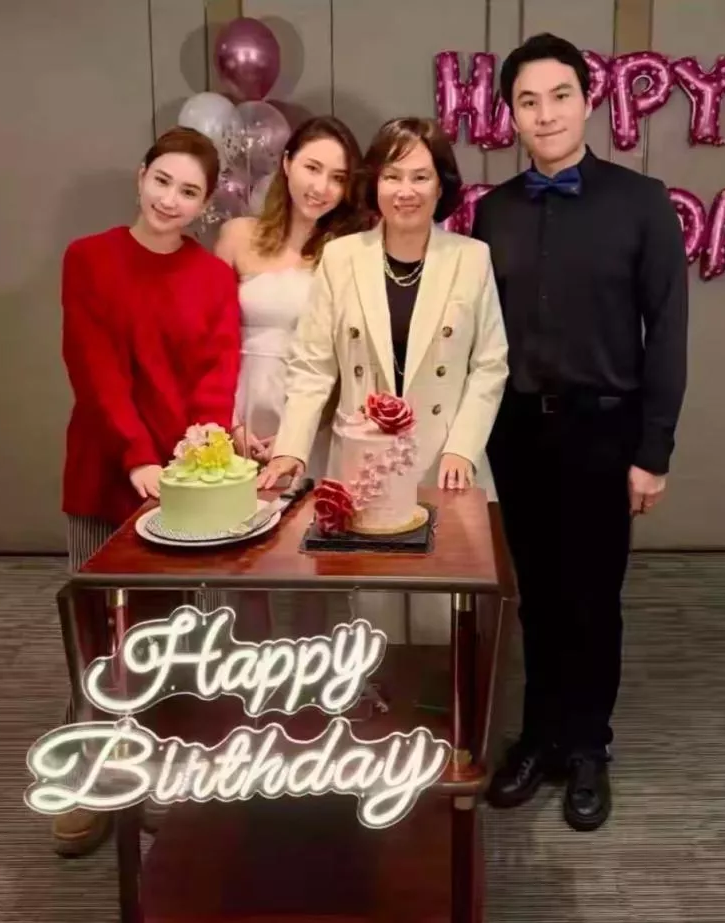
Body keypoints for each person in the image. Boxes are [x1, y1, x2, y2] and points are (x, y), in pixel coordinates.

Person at [475, 33, 688, 831]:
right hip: (517, 433)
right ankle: (540, 736)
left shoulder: (642, 201)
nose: (546, 113)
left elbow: (668, 331)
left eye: (560, 95)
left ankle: (590, 744)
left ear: (589, 101)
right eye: (528, 101)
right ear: (511, 114)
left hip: (606, 430)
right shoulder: (492, 211)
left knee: (594, 597)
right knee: (535, 596)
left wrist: (653, 451)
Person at [57, 126, 241, 856]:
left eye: (189, 191)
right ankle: (91, 774)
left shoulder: (212, 276)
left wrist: (192, 459)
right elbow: (94, 367)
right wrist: (137, 457)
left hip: (181, 488)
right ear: (140, 176)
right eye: (162, 180)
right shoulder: (88, 258)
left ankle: (161, 768)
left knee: (168, 636)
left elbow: (217, 373)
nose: (171, 199)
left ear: (205, 204)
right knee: (98, 636)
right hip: (105, 470)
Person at [255, 115, 508, 499]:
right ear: (375, 183)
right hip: (359, 463)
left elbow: (490, 365)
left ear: (441, 185)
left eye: (420, 177)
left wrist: (463, 447)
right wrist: (291, 448)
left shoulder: (471, 258)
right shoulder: (341, 257)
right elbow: (312, 366)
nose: (405, 191)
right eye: (392, 176)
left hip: (444, 464)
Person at [215, 115, 368, 475]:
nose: (321, 187)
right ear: (287, 163)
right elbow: (208, 338)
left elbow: (347, 359)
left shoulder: (348, 254)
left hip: (313, 417)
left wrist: (297, 437)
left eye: (338, 178)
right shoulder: (237, 235)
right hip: (236, 407)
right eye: (312, 168)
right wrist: (229, 423)